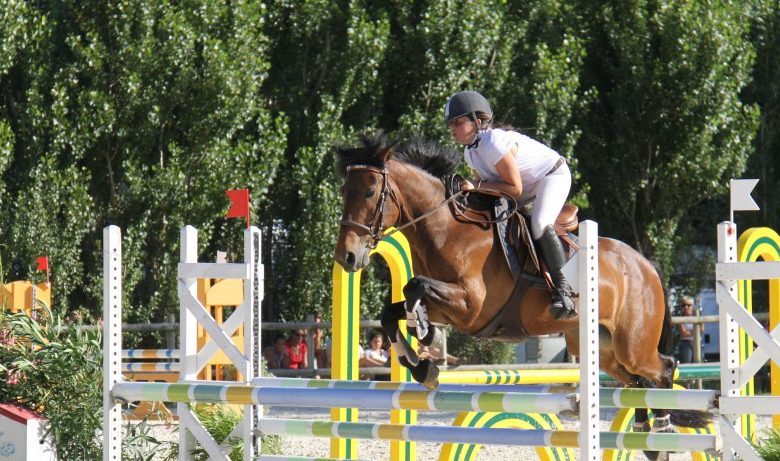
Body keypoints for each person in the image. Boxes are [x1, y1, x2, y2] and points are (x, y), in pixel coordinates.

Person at [444, 90, 575, 319]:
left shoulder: (493, 142)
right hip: (526, 185)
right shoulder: (470, 153)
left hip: (551, 175)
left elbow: (514, 189)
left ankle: (563, 289)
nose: (452, 128)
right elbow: (489, 188)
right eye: (450, 124)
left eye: (457, 122)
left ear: (477, 120)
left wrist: (476, 185)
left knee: (540, 223)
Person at [677, 296, 696, 364]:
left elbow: (702, 329)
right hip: (685, 344)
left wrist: (689, 332)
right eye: (683, 305)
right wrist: (695, 331)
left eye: (688, 305)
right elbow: (683, 333)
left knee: (699, 364)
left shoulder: (697, 315)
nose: (686, 307)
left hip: (697, 344)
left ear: (693, 306)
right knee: (686, 364)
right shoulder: (680, 318)